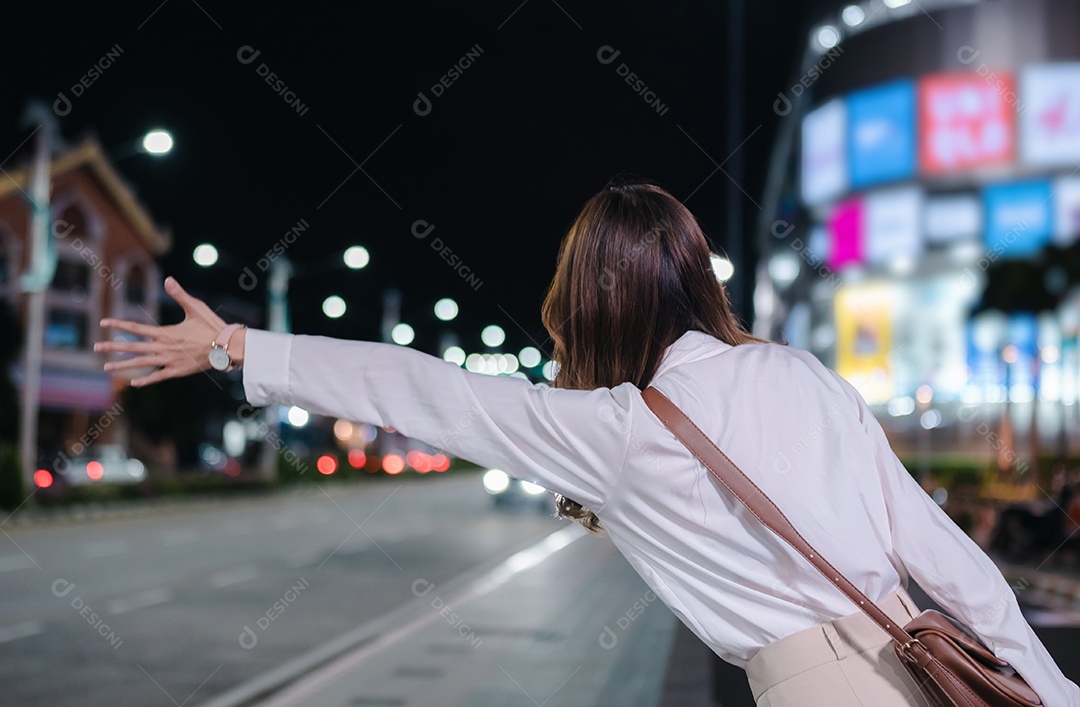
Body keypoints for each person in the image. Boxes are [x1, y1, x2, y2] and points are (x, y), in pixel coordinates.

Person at [94, 179, 1079, 706]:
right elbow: (947, 557)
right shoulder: (801, 375)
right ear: (698, 281)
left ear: (585, 302)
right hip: (928, 660)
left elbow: (430, 393)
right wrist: (1048, 687)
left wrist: (237, 344)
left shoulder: (617, 433)